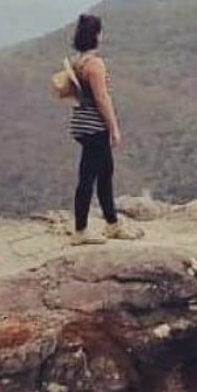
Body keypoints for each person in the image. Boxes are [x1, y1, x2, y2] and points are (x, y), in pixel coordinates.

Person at [65, 13, 142, 243]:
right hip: (94, 126)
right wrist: (114, 127)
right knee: (93, 176)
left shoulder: (76, 61)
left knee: (100, 173)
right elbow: (102, 98)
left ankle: (110, 223)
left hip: (80, 123)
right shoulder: (94, 64)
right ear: (97, 35)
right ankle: (86, 230)